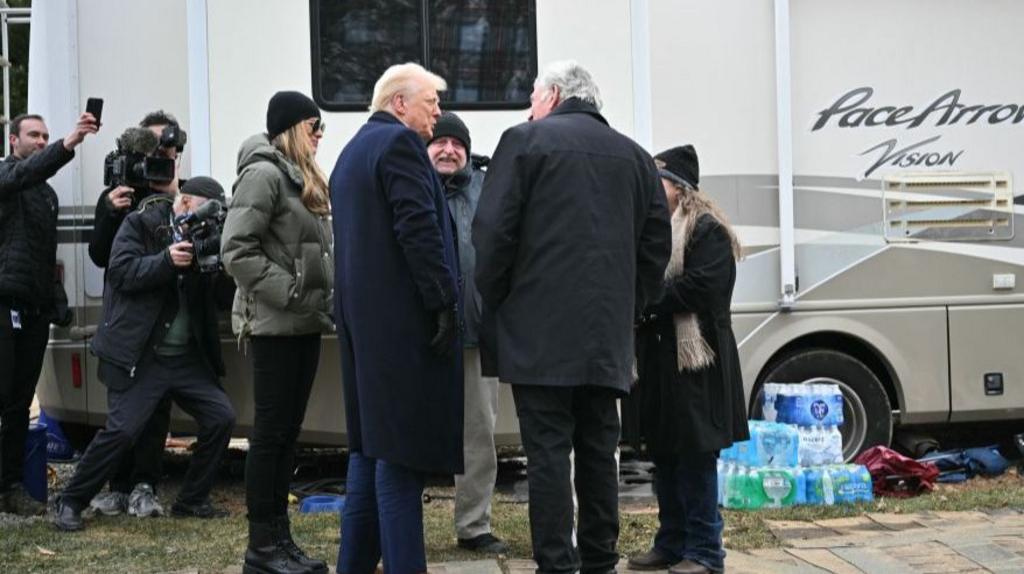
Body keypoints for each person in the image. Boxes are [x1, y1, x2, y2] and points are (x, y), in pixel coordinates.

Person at [473, 60, 672, 572]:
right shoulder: (635, 158)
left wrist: (498, 299)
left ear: (555, 95)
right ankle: (600, 559)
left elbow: (492, 236)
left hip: (536, 337)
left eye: (534, 98)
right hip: (606, 336)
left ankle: (557, 564)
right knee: (599, 452)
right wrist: (630, 308)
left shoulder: (523, 143)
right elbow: (656, 247)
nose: (529, 109)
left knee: (547, 458)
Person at [330, 62, 462, 573]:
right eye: (432, 102)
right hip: (400, 328)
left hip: (363, 329)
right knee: (400, 461)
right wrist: (444, 301)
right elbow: (419, 230)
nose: (438, 113)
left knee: (368, 451)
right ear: (399, 103)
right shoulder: (399, 146)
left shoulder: (351, 152)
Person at [54, 177, 237, 532]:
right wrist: (166, 261)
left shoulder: (208, 234)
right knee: (122, 431)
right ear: (183, 203)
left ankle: (191, 500)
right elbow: (120, 273)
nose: (204, 221)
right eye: (200, 210)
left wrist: (226, 267)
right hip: (142, 353)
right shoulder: (141, 222)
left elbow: (220, 300)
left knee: (221, 416)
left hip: (184, 357)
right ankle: (71, 500)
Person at [221, 90, 334, 574]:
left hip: (304, 323)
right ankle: (261, 548)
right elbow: (236, 250)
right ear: (291, 128)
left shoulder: (300, 177)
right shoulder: (264, 175)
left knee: (288, 436)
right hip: (274, 326)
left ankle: (280, 541)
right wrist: (290, 291)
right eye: (314, 126)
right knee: (269, 437)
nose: (320, 135)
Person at [627, 145, 749, 574]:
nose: (651, 191)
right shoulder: (655, 230)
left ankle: (705, 551)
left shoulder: (706, 230)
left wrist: (647, 301)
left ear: (679, 188)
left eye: (657, 182)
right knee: (665, 455)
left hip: (699, 365)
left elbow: (701, 289)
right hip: (663, 365)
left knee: (696, 457)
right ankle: (672, 542)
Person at [86, 110, 189, 519]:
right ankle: (119, 485)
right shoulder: (116, 192)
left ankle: (146, 482)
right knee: (124, 409)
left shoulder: (176, 190)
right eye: (147, 146)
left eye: (163, 147)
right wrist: (111, 211)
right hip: (127, 319)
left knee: (156, 404)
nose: (155, 155)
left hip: (162, 318)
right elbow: (100, 256)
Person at [0, 112, 98, 515]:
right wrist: (68, 143)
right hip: (3, 302)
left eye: (46, 136)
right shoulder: (6, 177)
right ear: (12, 142)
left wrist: (56, 302)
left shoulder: (48, 195)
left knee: (20, 403)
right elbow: (22, 176)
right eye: (34, 135)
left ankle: (10, 487)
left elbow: (45, 257)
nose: (41, 141)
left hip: (35, 308)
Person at [426, 112, 507, 555]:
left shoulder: (486, 186)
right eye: (440, 142)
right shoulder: (413, 183)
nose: (448, 150)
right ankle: (399, 527)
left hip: (476, 335)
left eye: (457, 144)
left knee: (479, 436)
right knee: (410, 436)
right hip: (421, 340)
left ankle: (474, 525)